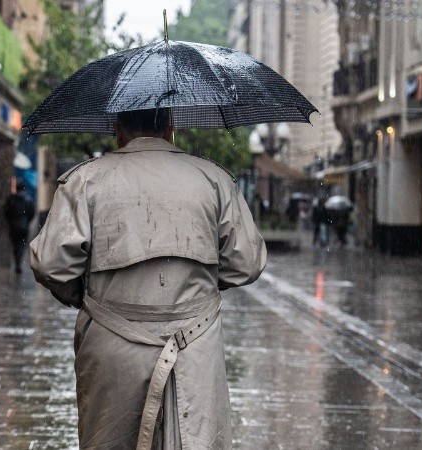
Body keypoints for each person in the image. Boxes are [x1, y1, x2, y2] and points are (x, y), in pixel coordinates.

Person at [30, 108, 266, 449]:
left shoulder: (85, 181)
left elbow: (51, 266)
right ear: (171, 128)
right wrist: (196, 283)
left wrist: (86, 295)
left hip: (112, 344)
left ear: (117, 129)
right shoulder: (215, 180)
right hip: (195, 345)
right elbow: (246, 262)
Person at [3, 180, 35, 274]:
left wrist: (10, 221)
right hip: (23, 226)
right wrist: (26, 221)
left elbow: (6, 211)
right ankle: (18, 263)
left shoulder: (10, 199)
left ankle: (17, 262)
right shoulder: (28, 199)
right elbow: (32, 212)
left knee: (15, 245)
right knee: (21, 245)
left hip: (13, 226)